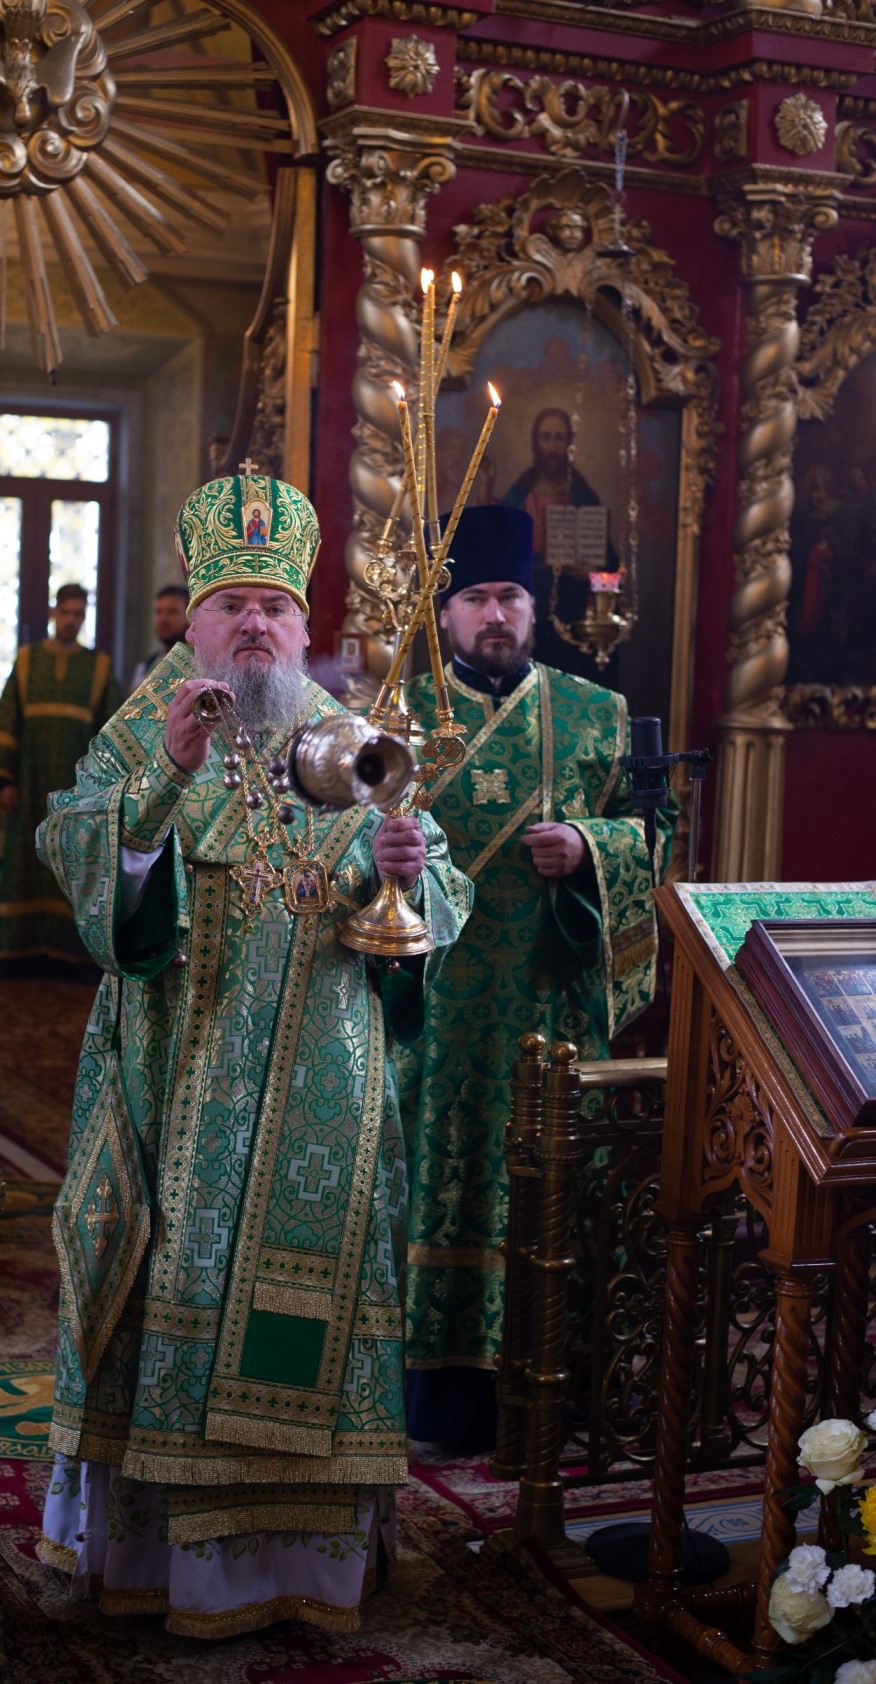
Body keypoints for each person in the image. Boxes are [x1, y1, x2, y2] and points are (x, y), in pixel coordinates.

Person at [35, 472, 471, 1637]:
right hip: (172, 1080)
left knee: (311, 1308)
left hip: (325, 1093)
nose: (254, 625)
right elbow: (78, 856)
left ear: (301, 625)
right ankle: (155, 1566)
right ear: (193, 621)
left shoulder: (349, 741)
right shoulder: (143, 727)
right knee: (172, 1289)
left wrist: (403, 873)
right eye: (231, 604)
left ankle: (310, 1568)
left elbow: (434, 890)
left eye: (274, 607)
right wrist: (165, 778)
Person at [397, 505, 674, 1450]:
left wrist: (594, 849)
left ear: (533, 603)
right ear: (444, 612)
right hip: (433, 1017)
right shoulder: (397, 717)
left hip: (551, 1003)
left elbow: (660, 833)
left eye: (510, 596)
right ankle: (434, 1401)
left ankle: (558, 1389)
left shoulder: (595, 711)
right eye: (475, 597)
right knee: (436, 1178)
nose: (495, 615)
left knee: (551, 1188)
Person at [0, 583, 123, 964]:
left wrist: (103, 788)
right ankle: (18, 951)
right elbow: (7, 719)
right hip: (30, 783)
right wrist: (5, 782)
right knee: (25, 859)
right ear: (54, 613)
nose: (71, 620)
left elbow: (114, 733)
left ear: (84, 617)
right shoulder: (28, 661)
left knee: (74, 863)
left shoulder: (99, 667)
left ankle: (69, 953)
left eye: (78, 614)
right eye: (65, 612)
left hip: (78, 790)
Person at [500, 407, 615, 682]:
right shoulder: (519, 495)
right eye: (546, 437)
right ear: (535, 442)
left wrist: (593, 573)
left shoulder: (583, 496)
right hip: (528, 606)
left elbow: (608, 564)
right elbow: (500, 551)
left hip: (574, 610)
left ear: (569, 443)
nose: (552, 447)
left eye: (559, 438)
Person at [129, 582, 189, 690]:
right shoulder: (147, 664)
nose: (163, 619)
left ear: (190, 615)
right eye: (159, 612)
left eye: (172, 611)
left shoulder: (197, 662)